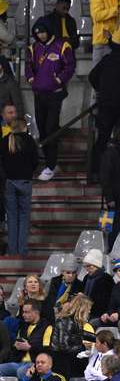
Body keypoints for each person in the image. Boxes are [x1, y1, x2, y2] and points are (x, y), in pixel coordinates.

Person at [25, 18, 74, 182]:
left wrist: (59, 80)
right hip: (39, 95)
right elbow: (28, 66)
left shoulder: (62, 46)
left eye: (43, 32)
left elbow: (70, 66)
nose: (41, 35)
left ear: (49, 30)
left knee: (51, 129)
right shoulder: (33, 47)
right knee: (42, 129)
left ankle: (51, 166)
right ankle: (49, 163)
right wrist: (32, 79)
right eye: (38, 33)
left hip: (55, 94)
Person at [88, 38, 120, 176]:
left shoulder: (107, 58)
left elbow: (92, 76)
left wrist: (102, 90)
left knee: (102, 138)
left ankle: (95, 171)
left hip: (105, 103)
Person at [0, 120, 37, 255]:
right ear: (24, 127)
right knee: (23, 217)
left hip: (9, 182)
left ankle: (12, 250)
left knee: (12, 217)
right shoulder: (29, 140)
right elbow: (35, 161)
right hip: (25, 182)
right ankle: (22, 251)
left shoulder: (5, 141)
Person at [0, 302, 52, 379]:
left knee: (20, 371)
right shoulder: (23, 326)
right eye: (23, 312)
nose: (23, 314)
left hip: (34, 363)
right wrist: (16, 346)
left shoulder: (47, 327)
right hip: (19, 362)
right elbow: (15, 346)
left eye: (27, 312)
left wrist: (29, 347)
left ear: (36, 312)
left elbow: (47, 350)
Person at [50, 293, 93, 378]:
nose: (89, 311)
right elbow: (64, 347)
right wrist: (83, 347)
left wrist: (98, 339)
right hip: (62, 361)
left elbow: (81, 334)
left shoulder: (74, 322)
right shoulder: (65, 321)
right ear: (82, 309)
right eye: (89, 309)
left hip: (68, 359)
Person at [81, 250, 114, 320]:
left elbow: (106, 302)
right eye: (86, 266)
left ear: (97, 265)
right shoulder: (86, 277)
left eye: (90, 266)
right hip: (85, 311)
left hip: (99, 314)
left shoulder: (106, 278)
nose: (87, 269)